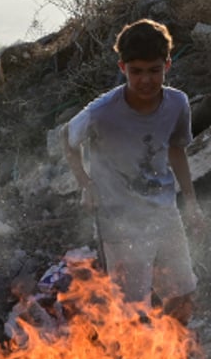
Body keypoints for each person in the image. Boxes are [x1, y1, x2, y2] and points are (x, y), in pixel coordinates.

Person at [63, 18, 203, 326]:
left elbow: (177, 149)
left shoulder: (177, 103)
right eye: (136, 71)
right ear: (122, 67)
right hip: (119, 221)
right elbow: (67, 139)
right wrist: (85, 184)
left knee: (182, 294)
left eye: (154, 70)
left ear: (167, 64)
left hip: (164, 213)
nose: (146, 80)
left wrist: (190, 202)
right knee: (132, 311)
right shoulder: (102, 112)